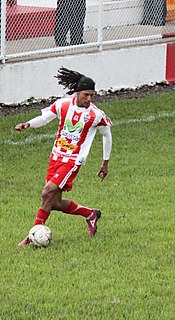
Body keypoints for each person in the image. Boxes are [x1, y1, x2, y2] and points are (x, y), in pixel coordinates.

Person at [15, 67, 113, 246]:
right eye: (86, 95)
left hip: (73, 161)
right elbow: (44, 118)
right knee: (54, 203)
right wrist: (27, 124)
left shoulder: (95, 114)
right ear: (77, 92)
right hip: (56, 157)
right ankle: (90, 214)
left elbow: (107, 135)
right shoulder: (63, 105)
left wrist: (105, 163)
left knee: (47, 192)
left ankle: (32, 236)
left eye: (92, 95)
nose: (89, 99)